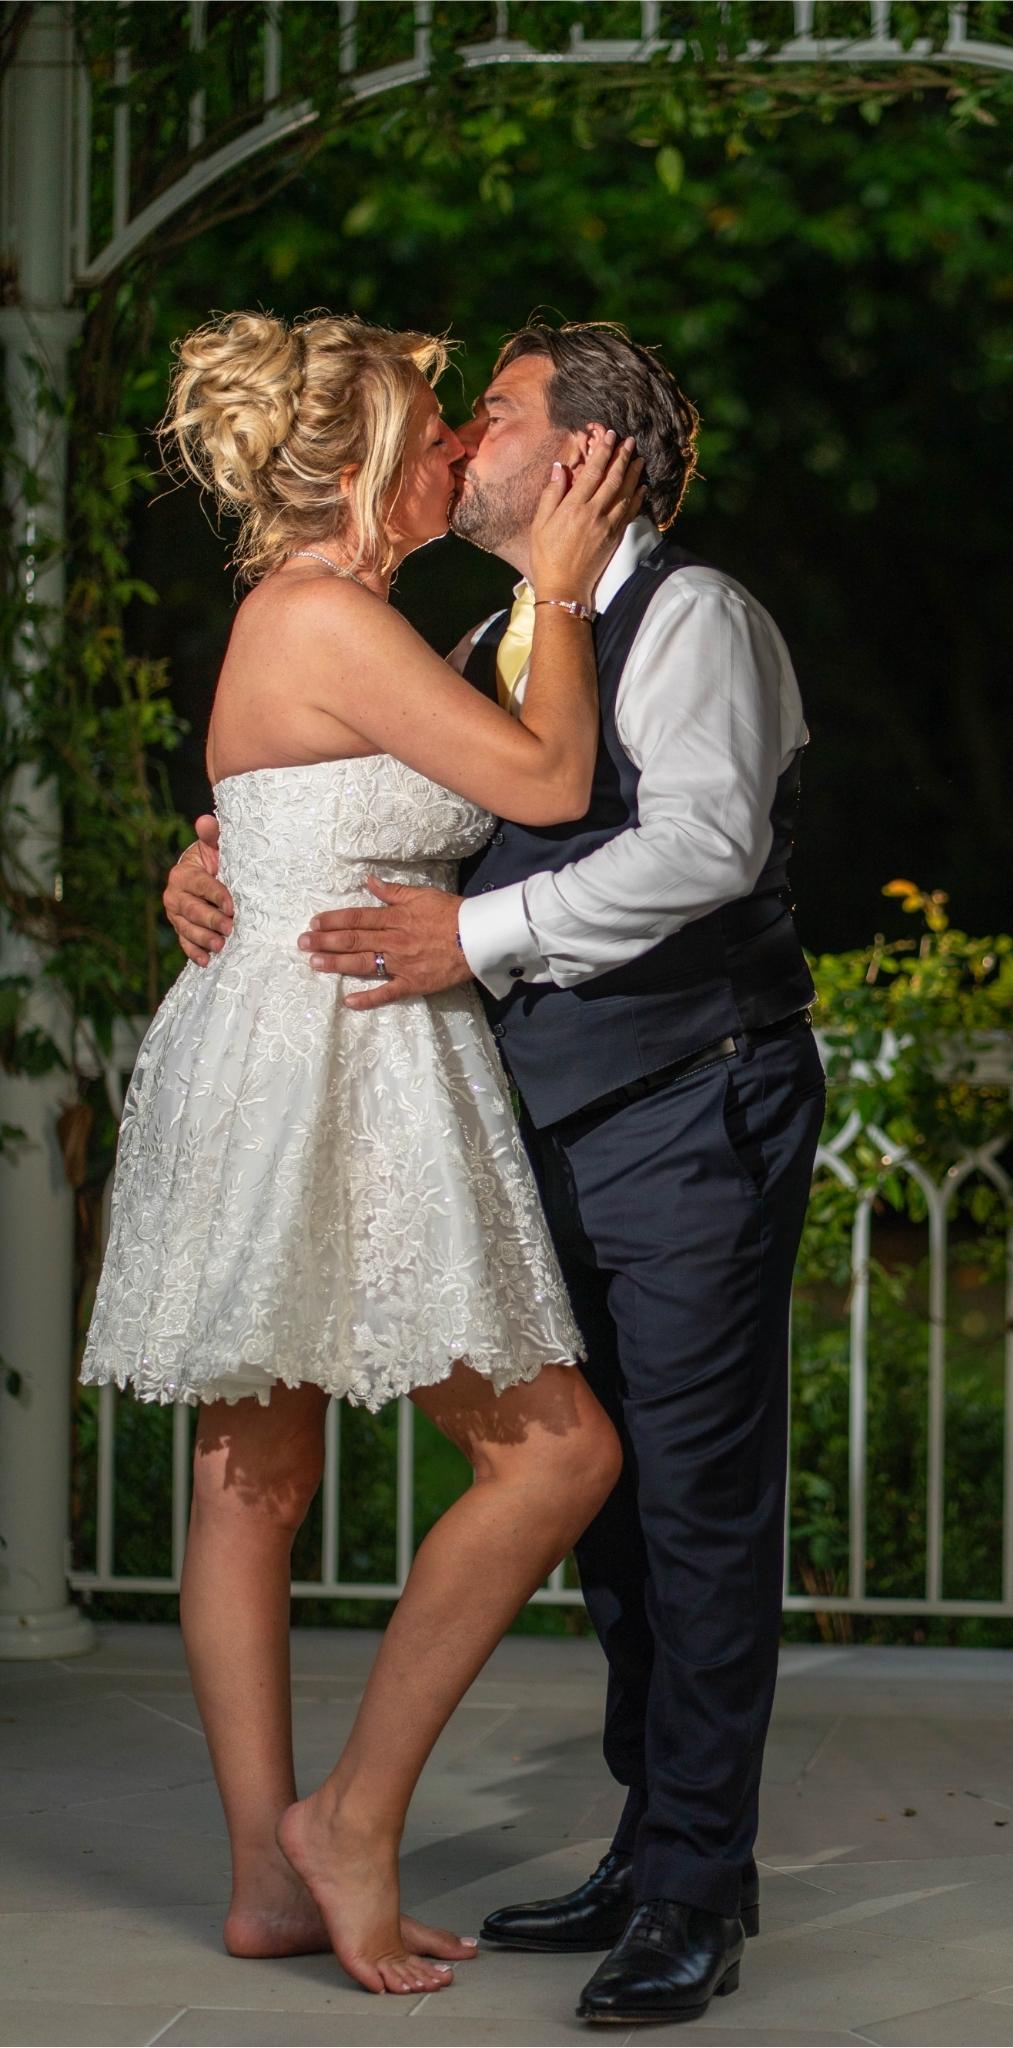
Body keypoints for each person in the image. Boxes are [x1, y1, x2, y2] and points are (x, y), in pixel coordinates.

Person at [166, 320, 826, 2028]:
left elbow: (696, 844)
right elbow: (379, 784)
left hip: (686, 1095)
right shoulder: (452, 625)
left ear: (589, 455)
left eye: (498, 414)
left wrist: (417, 910)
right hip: (431, 1090)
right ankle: (623, 1841)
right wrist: (221, 859)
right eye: (446, 419)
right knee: (577, 1495)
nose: (464, 438)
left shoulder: (692, 617)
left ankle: (687, 1883)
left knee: (672, 1498)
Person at [84, 310, 643, 1997]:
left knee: (253, 1481)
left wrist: (205, 866)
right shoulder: (326, 611)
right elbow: (549, 781)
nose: (459, 449)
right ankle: (343, 1823)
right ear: (369, 464)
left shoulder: (326, 616)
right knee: (551, 1459)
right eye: (435, 428)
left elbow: (274, 814)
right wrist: (564, 585)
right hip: (331, 1054)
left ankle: (270, 1876)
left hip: (295, 1041)